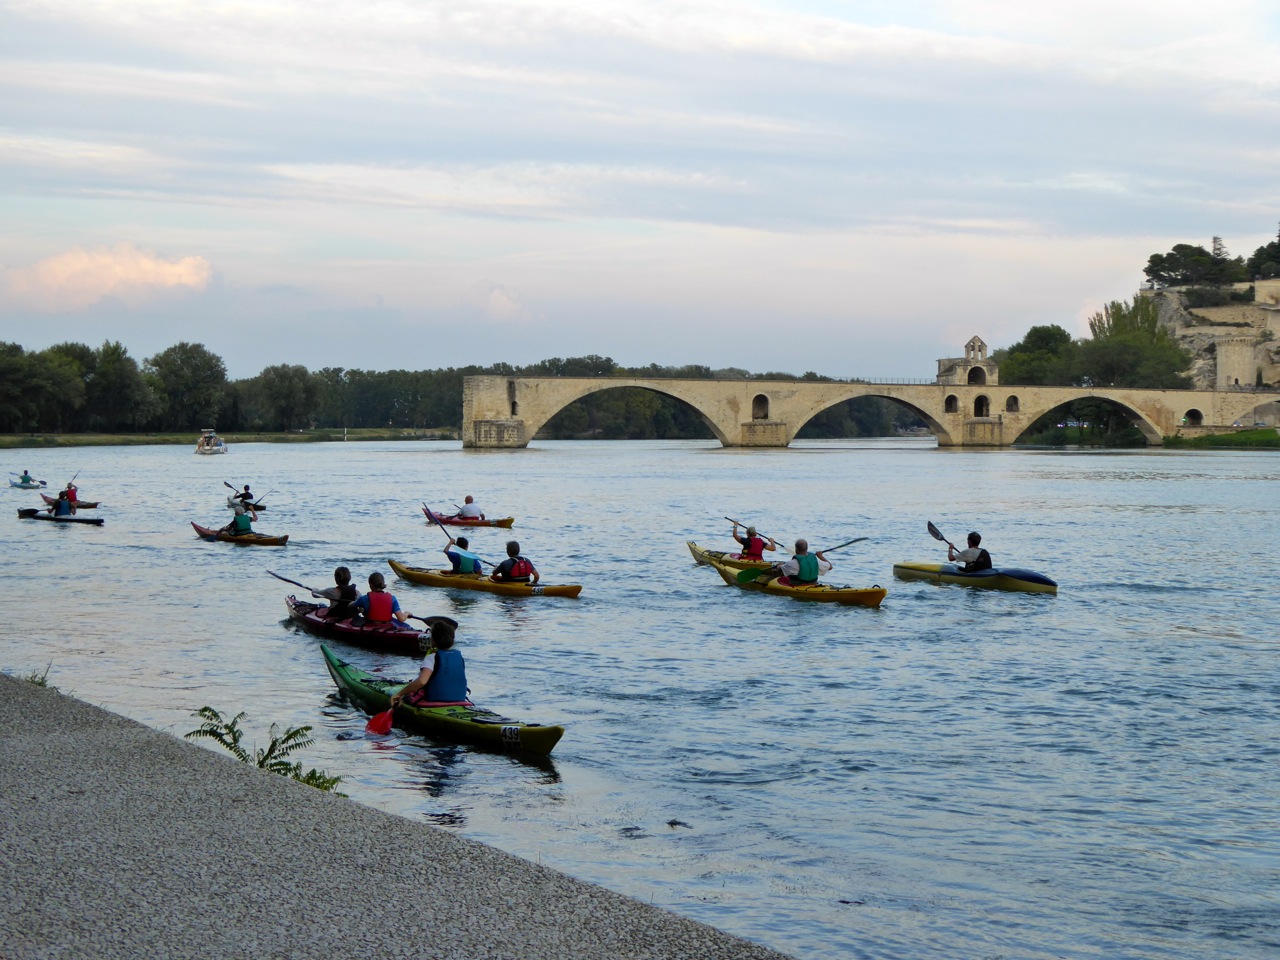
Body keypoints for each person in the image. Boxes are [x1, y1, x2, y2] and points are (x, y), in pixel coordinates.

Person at [390, 621, 469, 706]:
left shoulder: (432, 657)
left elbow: (421, 682)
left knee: (409, 696)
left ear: (433, 641)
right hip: (459, 699)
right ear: (452, 640)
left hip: (435, 699)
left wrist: (399, 694)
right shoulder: (459, 657)